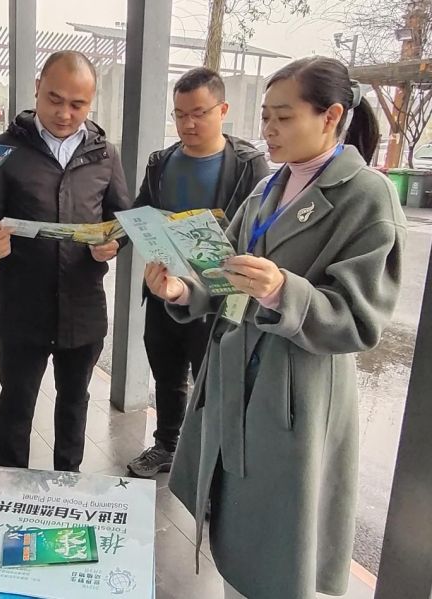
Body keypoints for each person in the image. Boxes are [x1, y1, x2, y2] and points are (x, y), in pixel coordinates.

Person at [144, 56, 406, 599]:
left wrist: (283, 290)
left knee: (278, 543)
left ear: (331, 116)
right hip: (236, 375)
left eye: (284, 118)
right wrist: (181, 291)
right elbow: (222, 274)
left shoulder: (366, 195)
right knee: (235, 523)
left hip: (295, 392)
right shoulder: (268, 187)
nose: (269, 129)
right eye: (265, 116)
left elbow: (359, 319)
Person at [0, 51, 131, 472]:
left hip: (83, 307)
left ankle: (67, 485)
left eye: (78, 104)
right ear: (37, 88)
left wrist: (113, 242)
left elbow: (121, 220)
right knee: (16, 404)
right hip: (23, 307)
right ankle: (9, 482)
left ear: (91, 102)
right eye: (55, 99)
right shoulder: (2, 149)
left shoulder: (105, 155)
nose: (64, 113)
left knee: (75, 405)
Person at [127, 68, 269, 478]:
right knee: (166, 372)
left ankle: (211, 464)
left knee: (214, 381)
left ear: (223, 110)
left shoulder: (248, 166)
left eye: (199, 113)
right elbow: (140, 211)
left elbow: (260, 230)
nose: (188, 123)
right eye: (180, 114)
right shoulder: (161, 162)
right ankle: (167, 445)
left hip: (217, 297)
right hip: (165, 288)